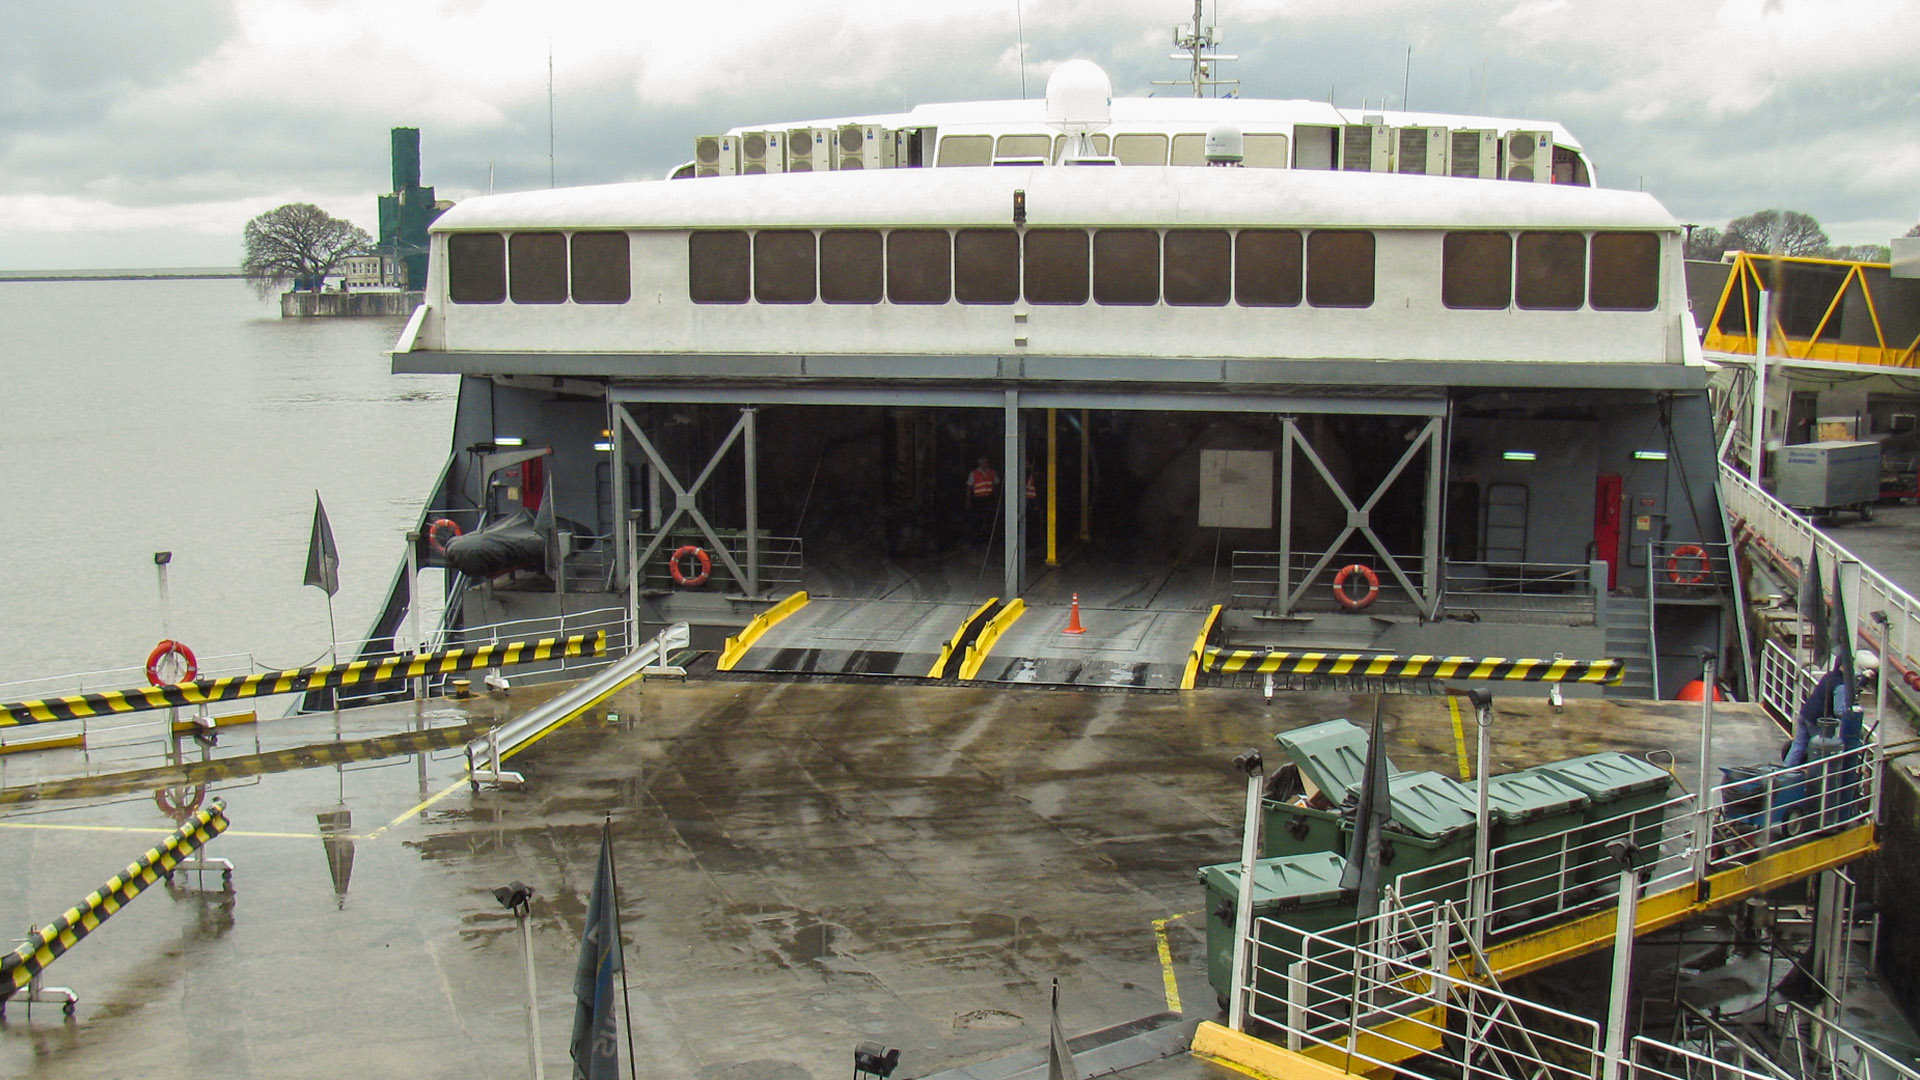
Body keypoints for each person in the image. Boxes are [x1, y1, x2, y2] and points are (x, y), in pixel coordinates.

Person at [967, 457, 999, 543]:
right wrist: (968, 501)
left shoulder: (992, 473)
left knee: (988, 519)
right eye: (983, 462)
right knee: (978, 519)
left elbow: (996, 485)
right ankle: (978, 539)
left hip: (989, 499)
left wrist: (996, 498)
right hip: (978, 500)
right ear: (980, 464)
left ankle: (988, 538)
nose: (985, 464)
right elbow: (969, 487)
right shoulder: (973, 473)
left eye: (986, 462)